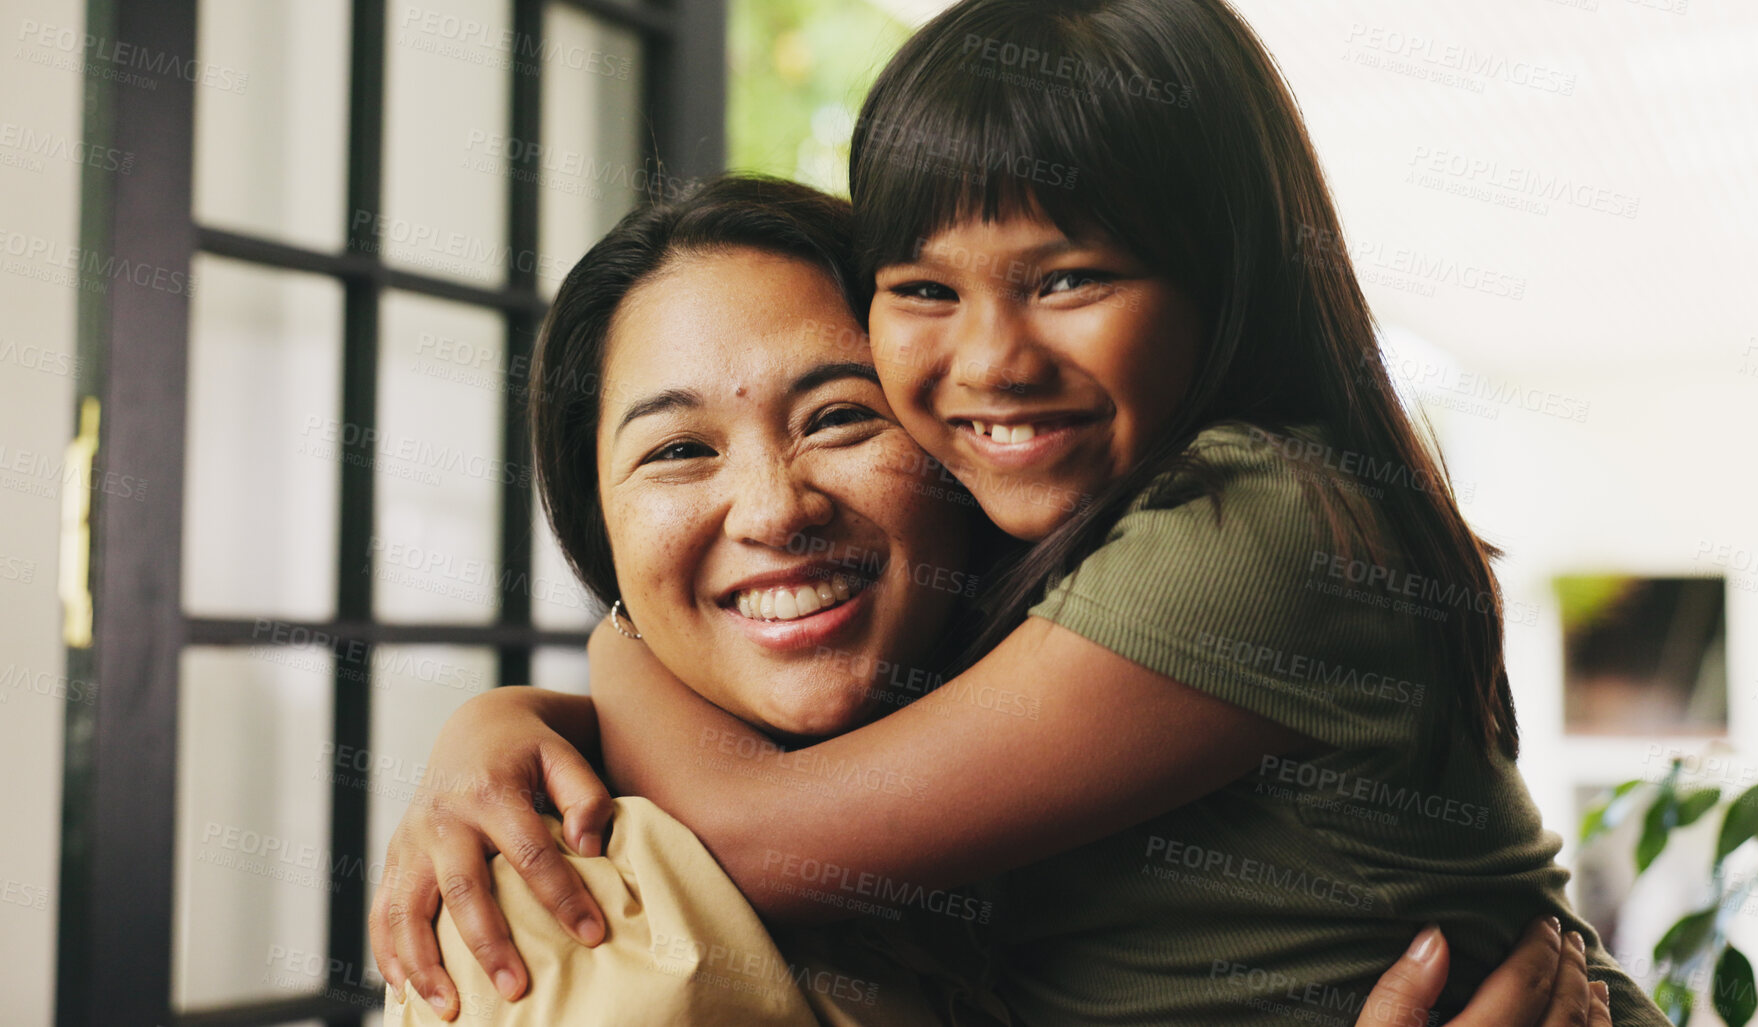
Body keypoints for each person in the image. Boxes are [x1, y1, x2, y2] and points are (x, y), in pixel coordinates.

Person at [375, 174, 1622, 1027]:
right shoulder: (559, 907)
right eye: (677, 451)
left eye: (842, 418)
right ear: (600, 527)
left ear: (972, 444)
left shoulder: (1098, 747)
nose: (771, 507)